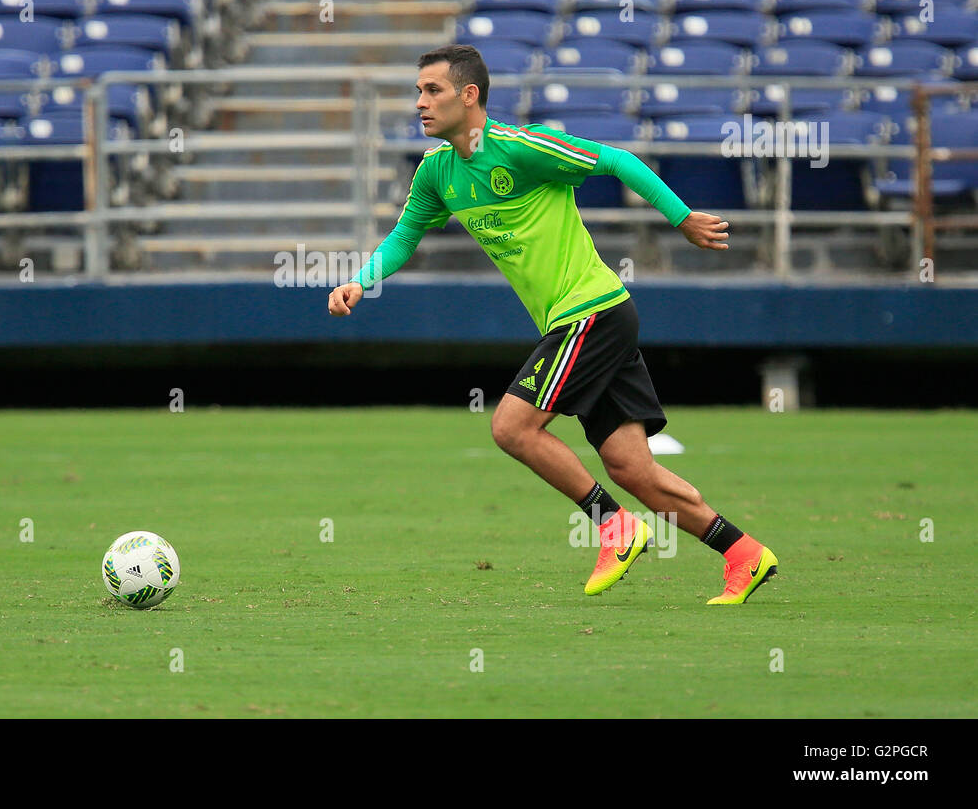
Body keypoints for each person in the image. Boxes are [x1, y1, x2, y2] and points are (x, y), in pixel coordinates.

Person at [327, 44, 778, 604]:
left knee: (512, 428)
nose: (419, 102)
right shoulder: (437, 172)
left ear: (469, 96)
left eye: (432, 90)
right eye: (417, 91)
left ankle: (614, 527)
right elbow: (404, 237)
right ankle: (744, 555)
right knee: (632, 469)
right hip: (587, 321)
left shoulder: (521, 148)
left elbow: (617, 161)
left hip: (591, 313)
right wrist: (361, 279)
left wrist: (681, 218)